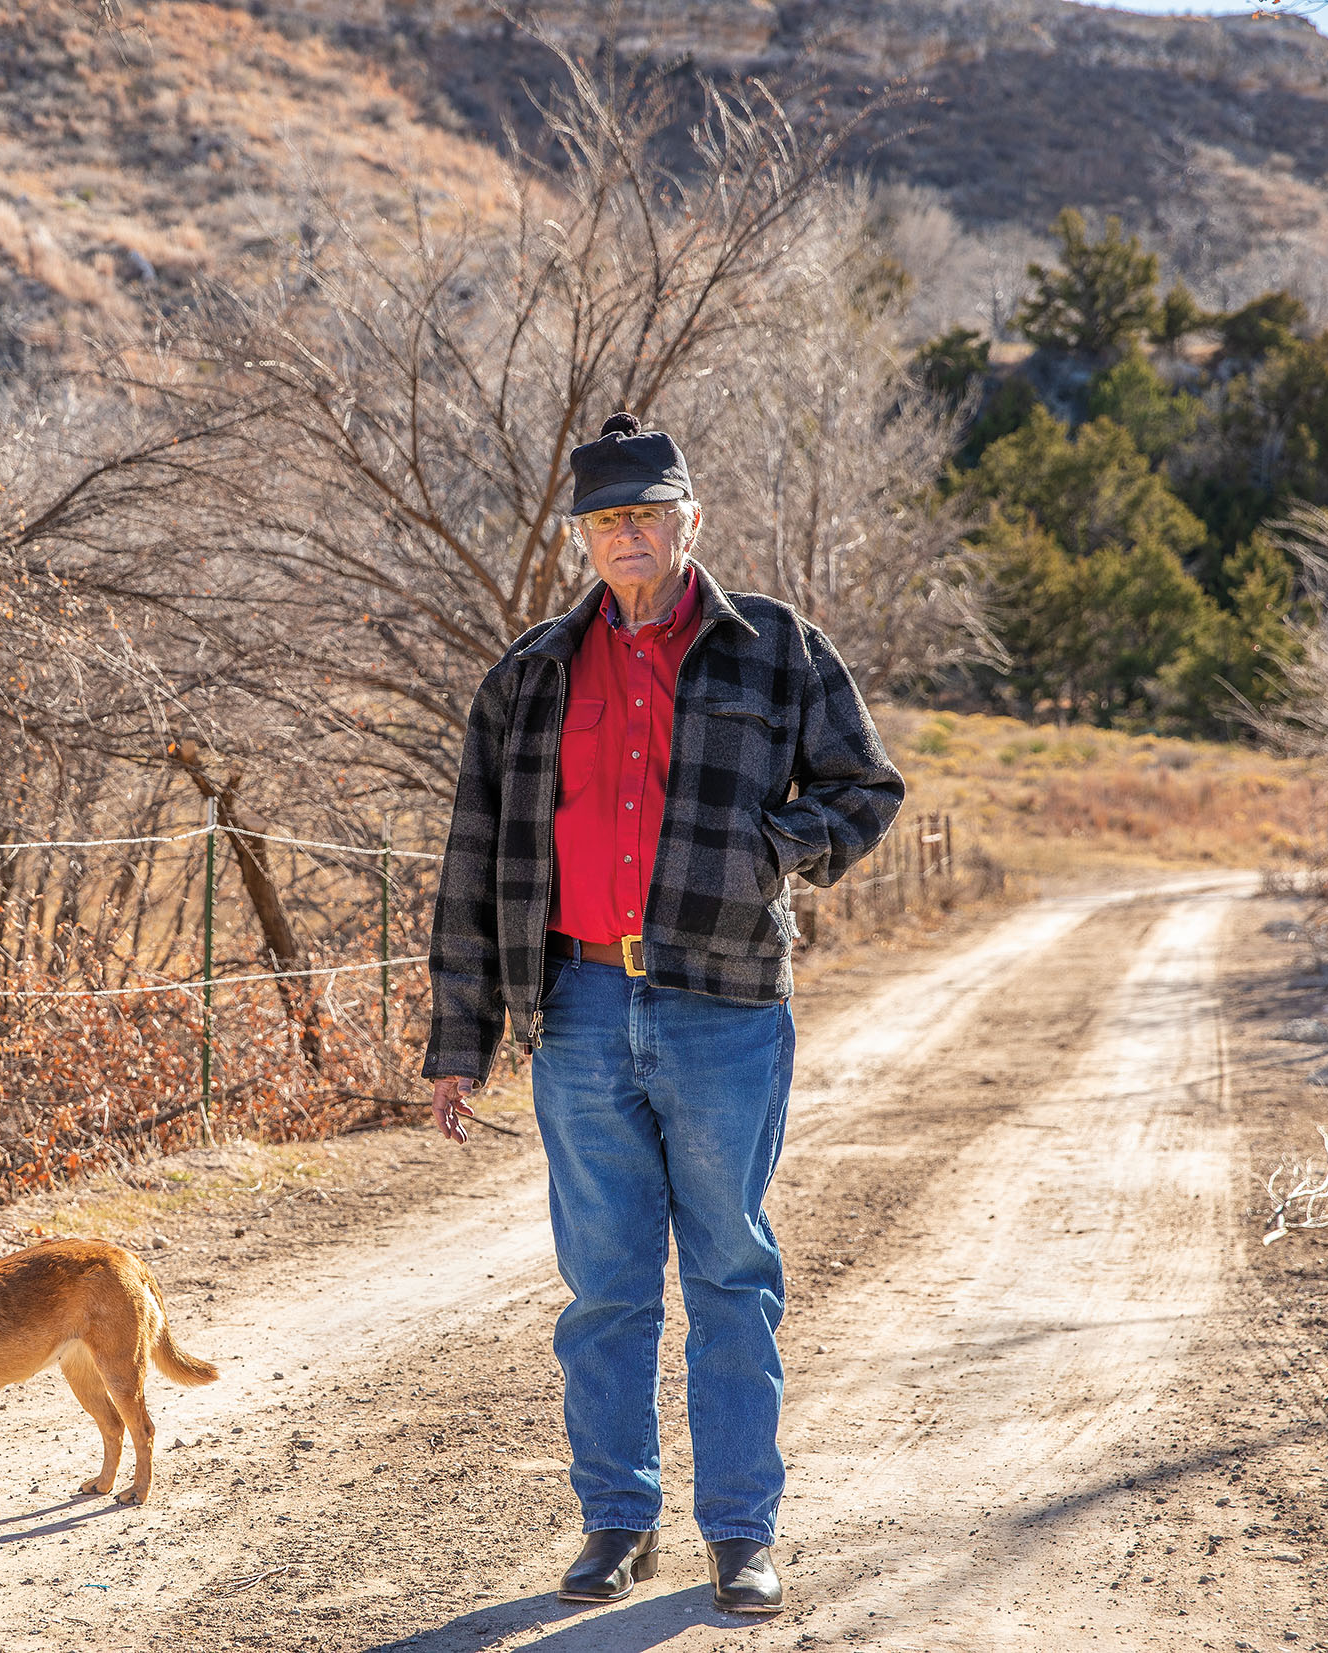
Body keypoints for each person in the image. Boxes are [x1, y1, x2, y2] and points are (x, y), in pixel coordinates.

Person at [422, 411, 902, 1613]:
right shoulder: (527, 676)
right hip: (576, 1003)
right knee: (605, 1288)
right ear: (582, 537)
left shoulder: (777, 650)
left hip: (726, 1002)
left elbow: (867, 788)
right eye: (605, 520)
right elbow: (474, 864)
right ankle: (617, 1522)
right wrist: (459, 1041)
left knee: (733, 1272)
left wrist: (772, 850)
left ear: (691, 521)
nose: (627, 536)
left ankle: (741, 1533)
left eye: (647, 514)